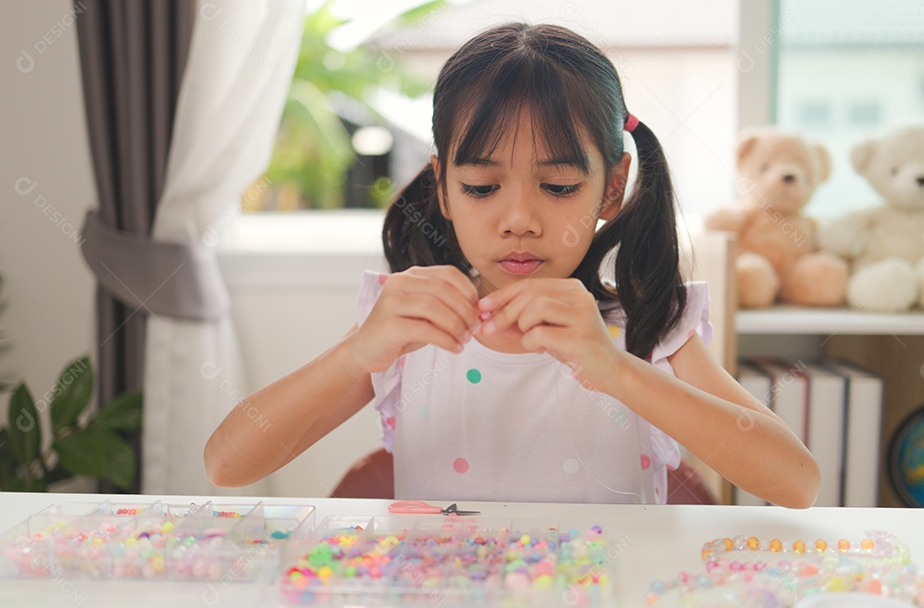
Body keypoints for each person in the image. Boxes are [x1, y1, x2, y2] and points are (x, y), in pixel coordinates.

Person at [205, 22, 820, 508]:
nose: (518, 219)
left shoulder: (647, 324)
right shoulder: (405, 322)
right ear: (443, 188)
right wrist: (357, 354)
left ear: (611, 188)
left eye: (556, 187)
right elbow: (227, 465)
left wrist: (615, 367)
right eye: (481, 187)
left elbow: (796, 483)